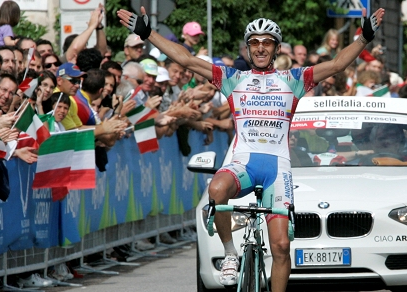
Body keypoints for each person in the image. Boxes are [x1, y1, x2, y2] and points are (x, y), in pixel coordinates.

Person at [117, 6, 385, 291]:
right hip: (243, 163)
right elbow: (186, 59)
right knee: (217, 190)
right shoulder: (233, 78)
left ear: (276, 47)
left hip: (277, 169)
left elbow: (336, 66)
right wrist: (148, 33)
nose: (260, 47)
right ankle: (231, 254)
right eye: (254, 42)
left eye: (266, 42)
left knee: (281, 246)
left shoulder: (292, 79)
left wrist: (364, 37)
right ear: (247, 49)